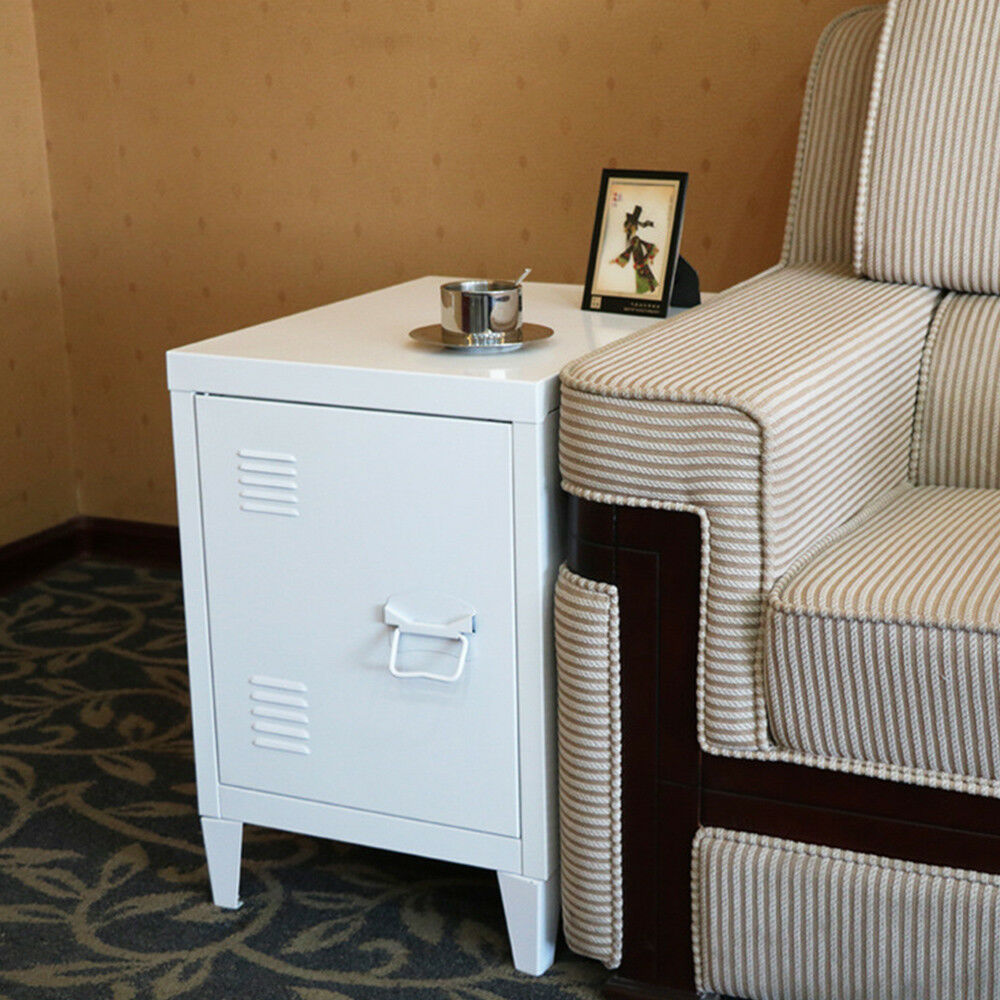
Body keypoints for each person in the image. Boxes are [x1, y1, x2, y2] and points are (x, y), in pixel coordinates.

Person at [611, 205, 659, 294]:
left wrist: (618, 260)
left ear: (633, 227)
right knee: (645, 280)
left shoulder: (635, 239)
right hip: (639, 263)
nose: (626, 230)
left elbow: (629, 251)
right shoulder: (633, 239)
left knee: (644, 281)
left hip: (640, 263)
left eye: (628, 227)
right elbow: (630, 251)